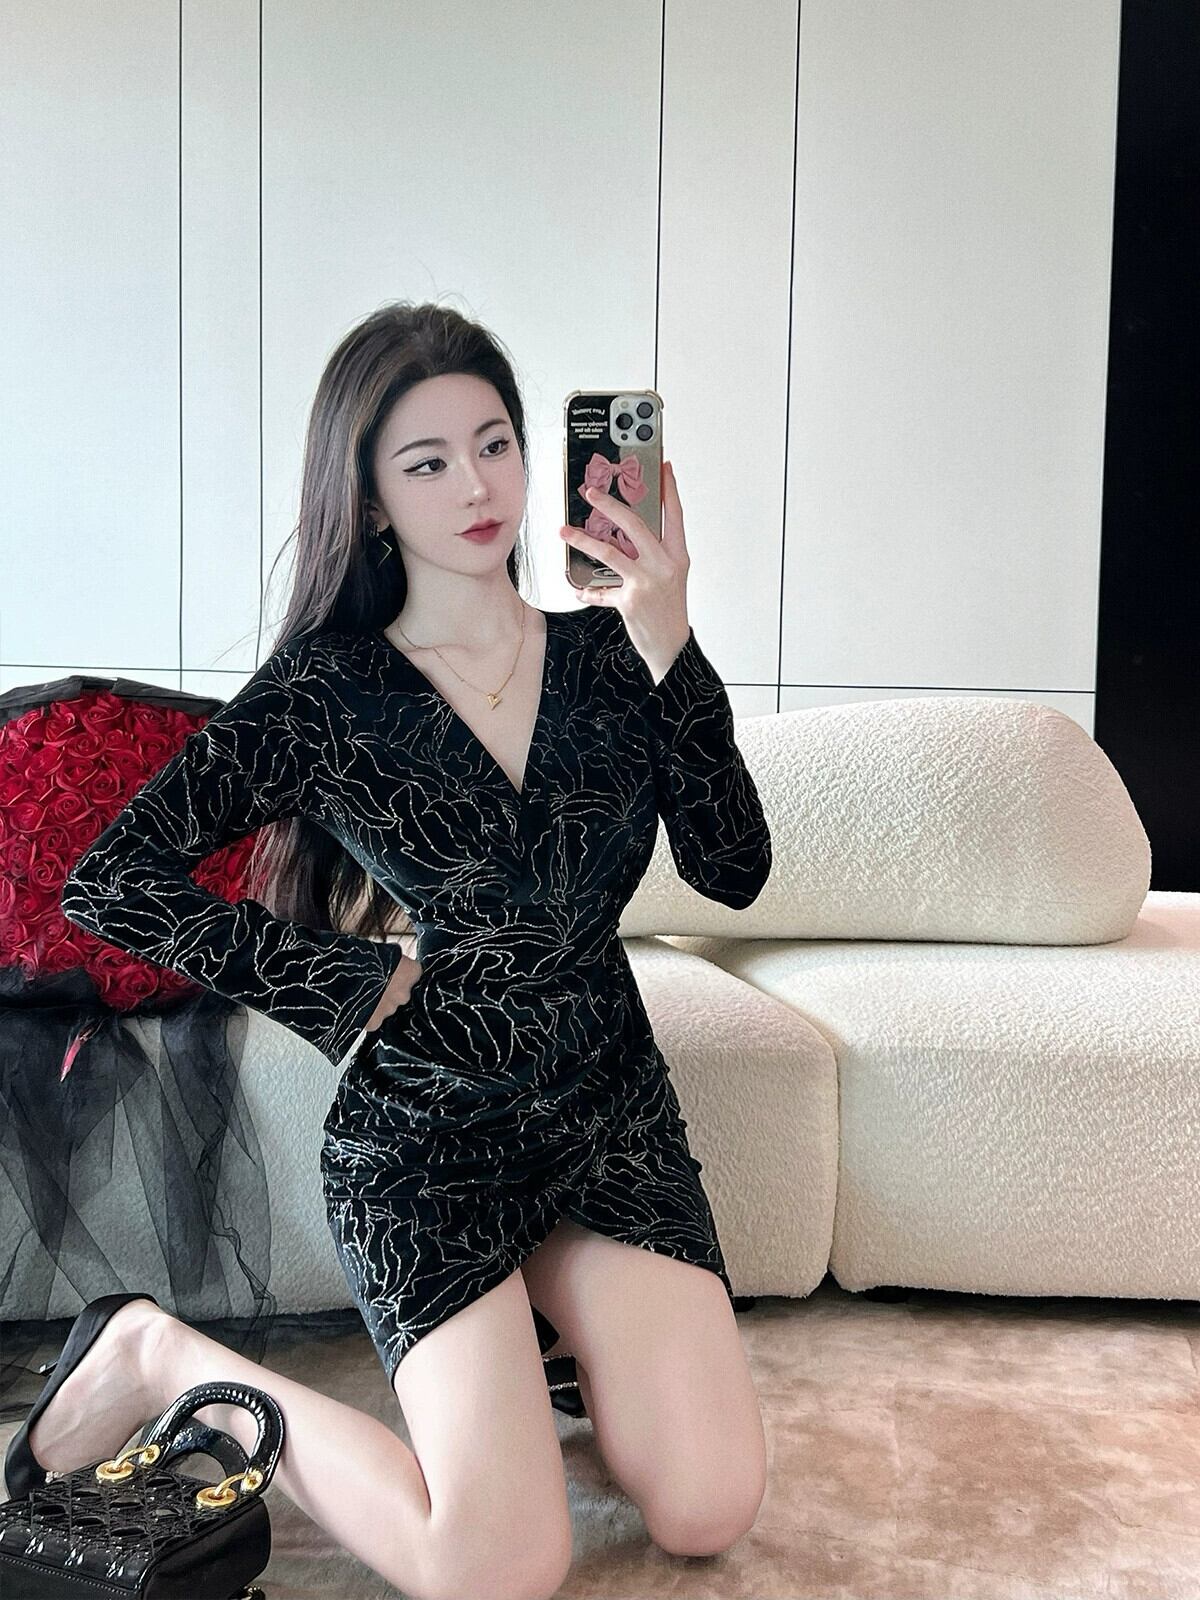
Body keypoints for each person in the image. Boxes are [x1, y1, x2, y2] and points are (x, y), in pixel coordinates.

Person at [33, 301, 772, 1599]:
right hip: (432, 1146)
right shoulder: (331, 689)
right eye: (427, 462)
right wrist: (344, 983)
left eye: (494, 444)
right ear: (370, 499)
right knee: (495, 1567)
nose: (475, 487)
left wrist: (672, 634)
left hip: (608, 1121)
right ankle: (159, 1358)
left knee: (709, 1506)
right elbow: (113, 881)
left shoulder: (614, 656)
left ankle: (556, 1331)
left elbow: (734, 869)